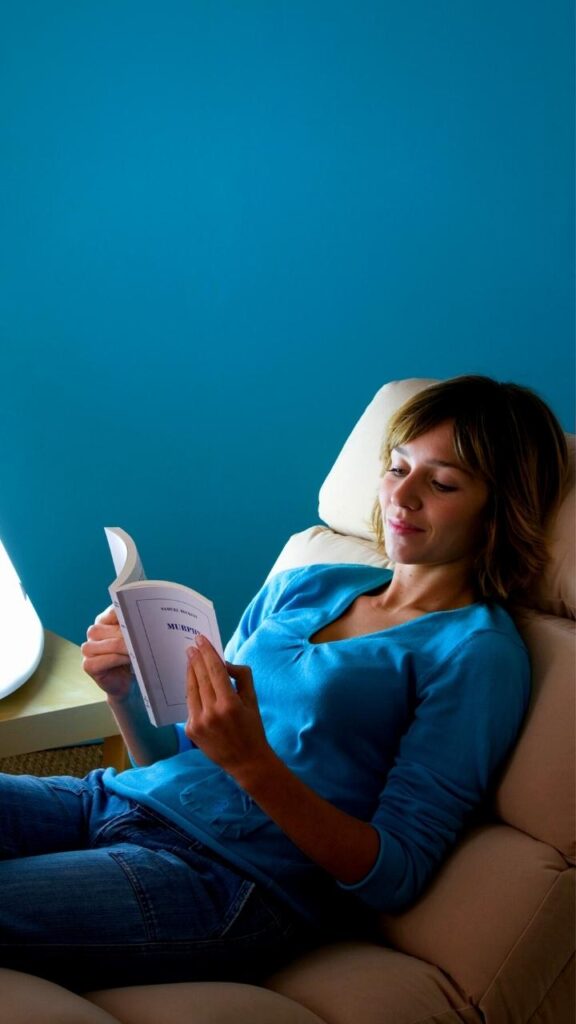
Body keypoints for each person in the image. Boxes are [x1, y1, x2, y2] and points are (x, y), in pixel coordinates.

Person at [0, 376, 568, 993]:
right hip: (115, 800)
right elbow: (187, 758)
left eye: (442, 483)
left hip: (230, 879)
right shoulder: (310, 583)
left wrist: (253, 764)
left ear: (498, 511)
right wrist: (123, 694)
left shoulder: (476, 653)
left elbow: (395, 873)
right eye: (399, 467)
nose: (401, 497)